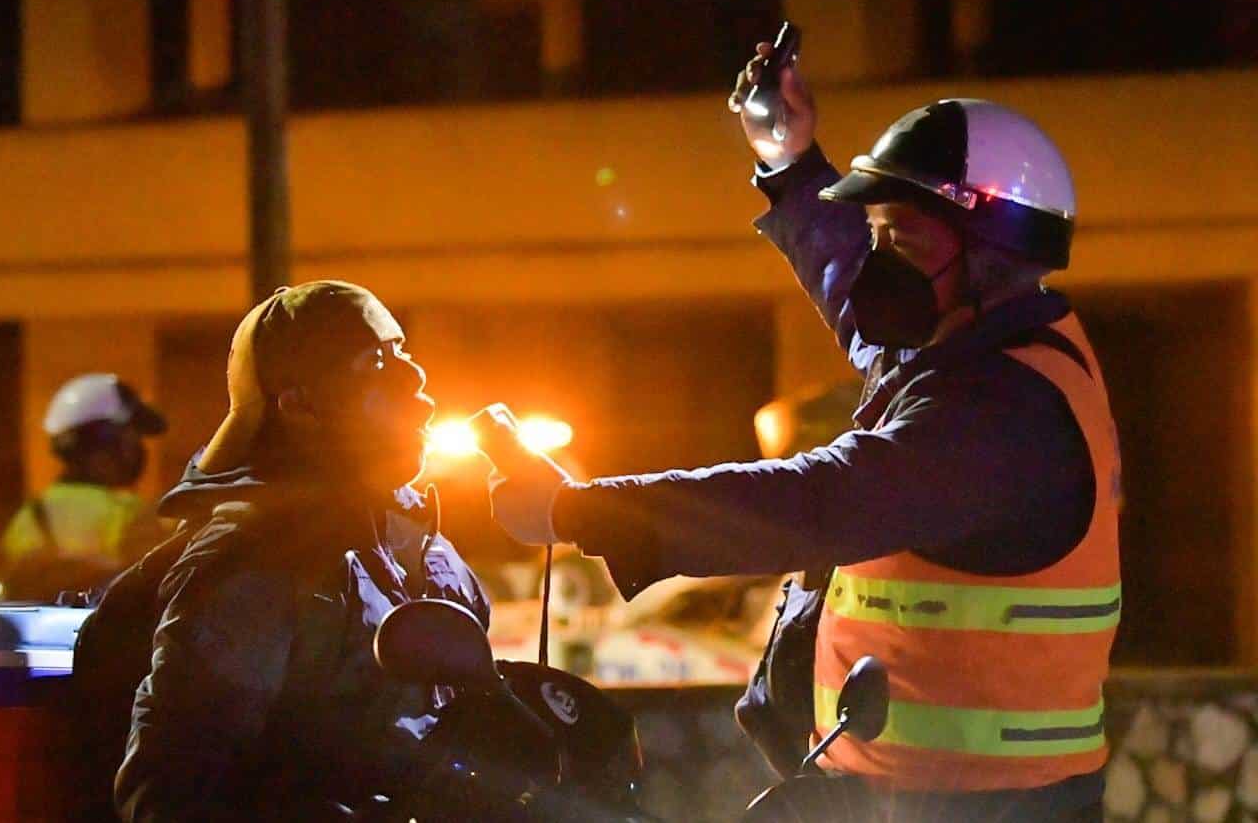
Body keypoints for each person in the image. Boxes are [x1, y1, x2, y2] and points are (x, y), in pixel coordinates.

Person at [477, 43, 1121, 822]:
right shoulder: (959, 348)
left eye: (903, 241)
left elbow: (814, 500)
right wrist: (787, 159)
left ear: (990, 257)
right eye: (879, 233)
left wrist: (576, 509)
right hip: (912, 800)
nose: (880, 261)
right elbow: (852, 281)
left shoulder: (1003, 413)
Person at [78, 281, 488, 822]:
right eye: (375, 361)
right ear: (299, 405)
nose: (415, 376)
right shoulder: (256, 564)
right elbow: (173, 794)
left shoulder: (420, 542)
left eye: (403, 351)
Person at [1, 373, 167, 599]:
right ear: (107, 440)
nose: (137, 448)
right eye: (131, 437)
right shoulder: (129, 512)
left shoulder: (28, 516)